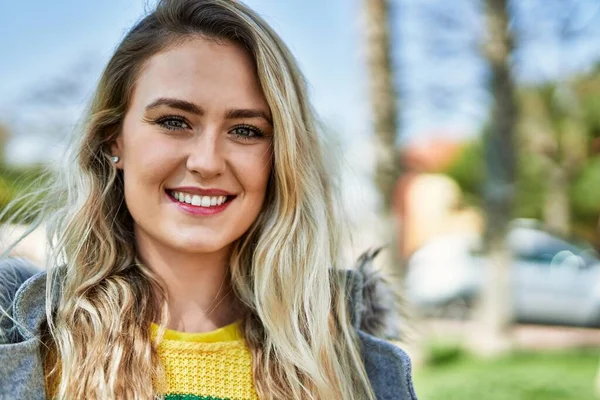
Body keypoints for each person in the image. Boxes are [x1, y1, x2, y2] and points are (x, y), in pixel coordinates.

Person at [0, 1, 417, 399]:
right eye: (174, 122)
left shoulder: (346, 358)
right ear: (114, 141)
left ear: (282, 156)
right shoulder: (33, 347)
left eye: (246, 130)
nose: (207, 161)